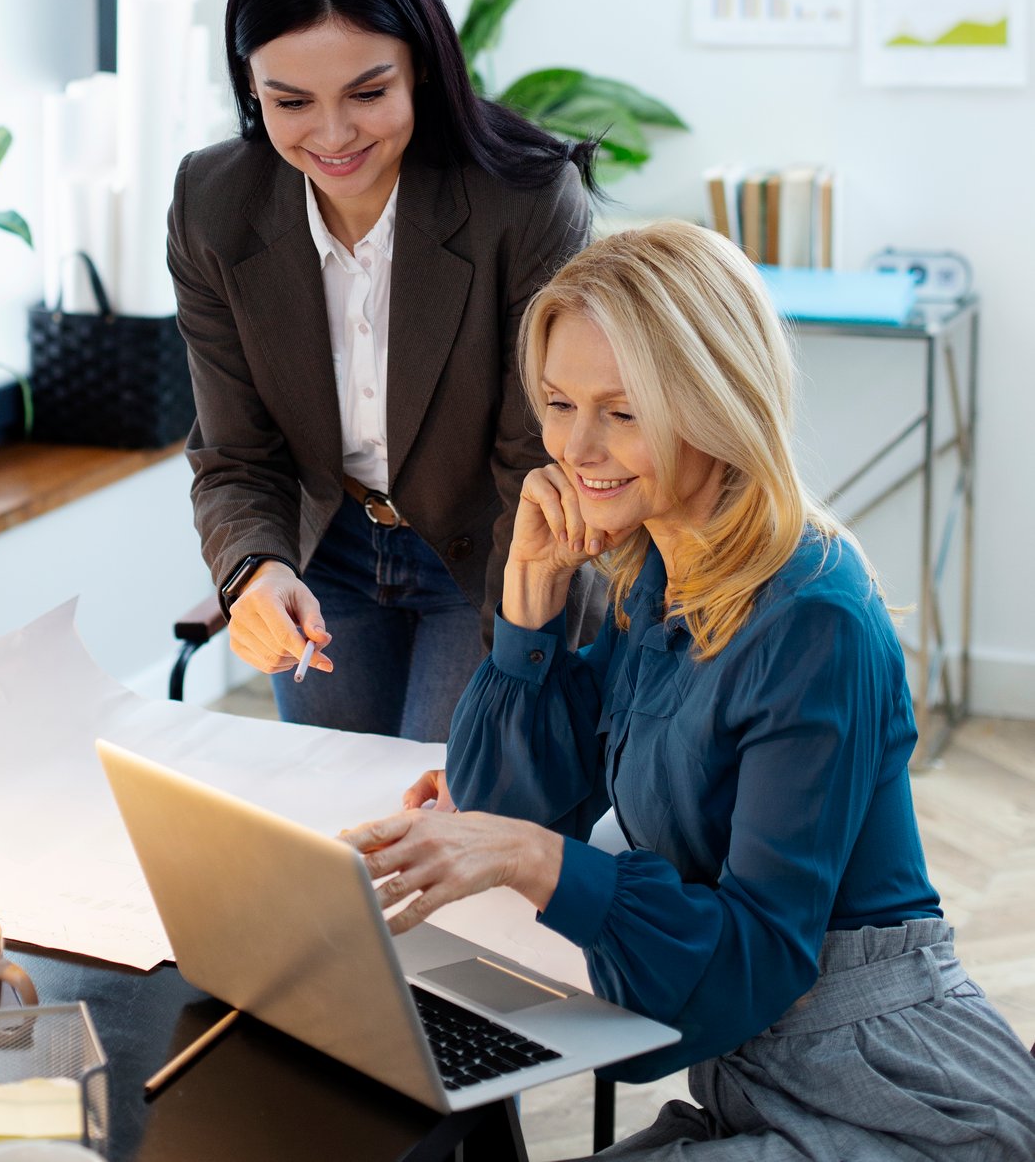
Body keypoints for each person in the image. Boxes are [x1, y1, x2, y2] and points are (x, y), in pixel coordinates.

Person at [342, 221, 1035, 1156]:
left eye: (621, 413)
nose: (575, 447)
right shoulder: (657, 576)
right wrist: (527, 617)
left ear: (715, 404)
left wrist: (536, 858)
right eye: (557, 402)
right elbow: (505, 805)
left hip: (898, 1095)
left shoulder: (811, 617)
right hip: (757, 1076)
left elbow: (756, 953)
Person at [166, 0, 600, 741]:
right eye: (290, 101)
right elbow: (234, 453)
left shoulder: (524, 201)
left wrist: (514, 673)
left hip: (487, 547)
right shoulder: (212, 206)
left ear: (423, 69)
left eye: (368, 92)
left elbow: (535, 462)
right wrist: (253, 570)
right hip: (326, 546)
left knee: (443, 818)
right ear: (250, 85)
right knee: (340, 828)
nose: (331, 135)